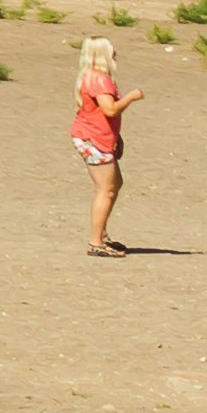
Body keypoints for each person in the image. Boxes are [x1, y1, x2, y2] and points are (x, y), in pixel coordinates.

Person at [73, 36, 140, 255]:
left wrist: (117, 138)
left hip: (100, 138)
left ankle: (101, 234)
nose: (115, 52)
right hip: (93, 139)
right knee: (106, 189)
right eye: (111, 49)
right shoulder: (98, 80)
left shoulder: (93, 77)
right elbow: (110, 110)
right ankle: (96, 243)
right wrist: (131, 97)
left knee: (115, 184)